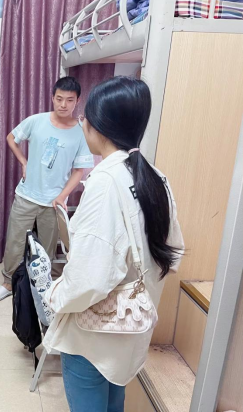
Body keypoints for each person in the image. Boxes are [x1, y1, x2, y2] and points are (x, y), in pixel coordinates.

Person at [43, 77, 184, 411]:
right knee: (114, 401)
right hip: (131, 329)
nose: (82, 123)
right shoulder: (155, 177)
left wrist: (54, 298)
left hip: (94, 337)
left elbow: (89, 279)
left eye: (84, 117)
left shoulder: (105, 183)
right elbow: (173, 253)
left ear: (97, 127)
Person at [0, 77, 94, 302]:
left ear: (77, 101)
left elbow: (79, 170)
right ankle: (8, 282)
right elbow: (11, 138)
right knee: (15, 242)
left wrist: (62, 196)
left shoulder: (80, 133)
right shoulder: (36, 121)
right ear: (52, 97)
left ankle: (42, 286)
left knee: (46, 248)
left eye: (69, 100)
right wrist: (23, 162)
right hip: (26, 195)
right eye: (59, 98)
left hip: (54, 201)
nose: (63, 104)